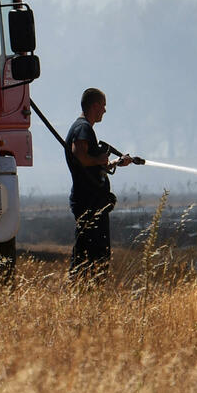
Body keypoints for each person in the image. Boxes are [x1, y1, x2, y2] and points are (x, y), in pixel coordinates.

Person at [65, 88, 131, 282]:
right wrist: (101, 158)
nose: (104, 110)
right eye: (103, 105)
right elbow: (81, 156)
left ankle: (87, 291)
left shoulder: (84, 128)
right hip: (88, 202)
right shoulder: (83, 128)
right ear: (94, 105)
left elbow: (91, 165)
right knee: (91, 253)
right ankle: (84, 290)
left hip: (92, 201)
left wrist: (115, 163)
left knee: (92, 251)